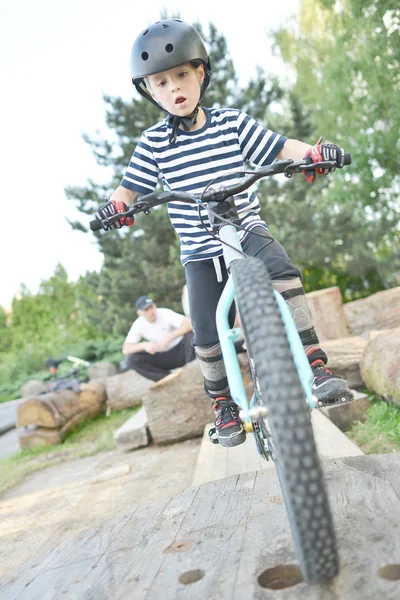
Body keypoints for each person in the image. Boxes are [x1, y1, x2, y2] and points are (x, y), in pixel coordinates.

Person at [96, 19, 354, 448]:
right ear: (150, 91)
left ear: (201, 74)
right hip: (199, 248)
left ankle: (316, 365)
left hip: (246, 227)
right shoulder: (153, 144)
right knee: (205, 326)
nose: (174, 87)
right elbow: (128, 189)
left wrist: (311, 154)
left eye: (182, 74)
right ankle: (223, 404)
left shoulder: (232, 123)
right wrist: (117, 207)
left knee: (282, 270)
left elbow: (279, 146)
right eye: (161, 81)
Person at [122, 295, 195, 382]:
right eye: (146, 310)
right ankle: (167, 379)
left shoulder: (164, 313)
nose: (151, 312)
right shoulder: (138, 324)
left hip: (181, 351)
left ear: (155, 306)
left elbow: (189, 324)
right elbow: (126, 349)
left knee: (191, 336)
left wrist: (168, 338)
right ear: (139, 313)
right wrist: (145, 345)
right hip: (162, 356)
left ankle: (190, 370)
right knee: (131, 359)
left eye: (151, 307)